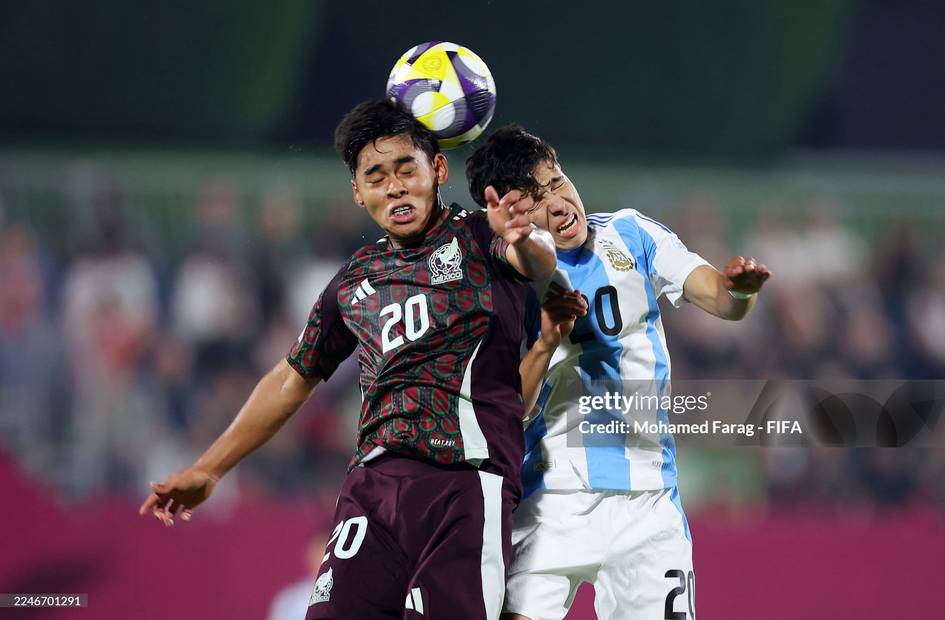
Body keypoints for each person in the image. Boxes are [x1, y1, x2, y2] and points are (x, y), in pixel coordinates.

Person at [140, 101, 566, 620]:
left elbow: (536, 260)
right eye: (376, 176)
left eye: (406, 169)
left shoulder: (481, 237)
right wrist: (209, 469)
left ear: (437, 170)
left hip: (466, 488)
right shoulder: (353, 280)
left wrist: (524, 238)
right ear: (358, 192)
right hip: (372, 490)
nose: (394, 187)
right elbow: (293, 377)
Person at [466, 125, 772, 620]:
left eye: (558, 182)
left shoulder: (632, 233)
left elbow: (721, 298)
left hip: (649, 502)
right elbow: (510, 410)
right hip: (551, 500)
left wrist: (739, 289)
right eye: (535, 202)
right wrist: (547, 340)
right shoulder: (504, 287)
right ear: (507, 217)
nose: (560, 203)